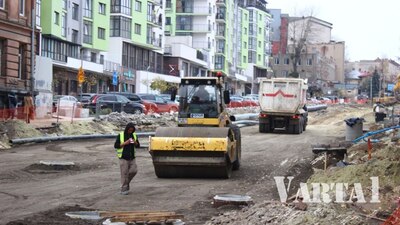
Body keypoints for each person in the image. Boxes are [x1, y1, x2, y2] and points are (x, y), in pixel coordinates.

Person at [114, 122, 140, 195]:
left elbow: (138, 145)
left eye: (132, 130)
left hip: (132, 157)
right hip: (123, 157)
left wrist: (135, 142)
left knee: (134, 171)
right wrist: (125, 143)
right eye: (129, 130)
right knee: (124, 173)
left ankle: (126, 182)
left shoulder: (134, 135)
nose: (130, 131)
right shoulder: (121, 135)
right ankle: (124, 189)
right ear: (127, 129)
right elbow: (116, 145)